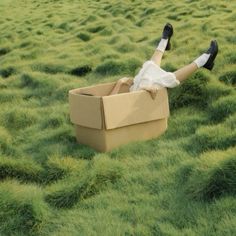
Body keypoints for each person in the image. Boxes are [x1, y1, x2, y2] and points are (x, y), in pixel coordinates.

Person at [109, 23, 218, 98]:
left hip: (134, 91)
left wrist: (120, 83)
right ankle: (204, 60)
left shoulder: (97, 106)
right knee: (165, 79)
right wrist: (146, 89)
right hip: (136, 101)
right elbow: (110, 106)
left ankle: (164, 42)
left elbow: (108, 101)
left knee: (148, 67)